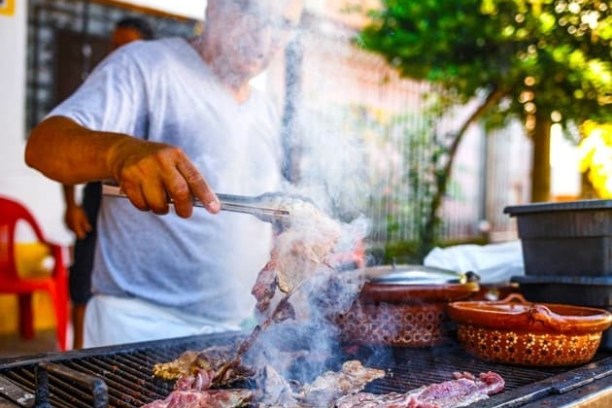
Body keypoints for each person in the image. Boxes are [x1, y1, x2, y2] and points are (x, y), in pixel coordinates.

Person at [26, 0, 304, 348]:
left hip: (235, 329)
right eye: (251, 11)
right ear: (214, 7)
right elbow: (43, 146)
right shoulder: (146, 65)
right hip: (141, 325)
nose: (264, 35)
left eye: (283, 24)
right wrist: (119, 152)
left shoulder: (264, 108)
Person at [62, 17, 155, 350]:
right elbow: (66, 151)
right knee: (82, 280)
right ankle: (75, 355)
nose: (118, 53)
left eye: (126, 46)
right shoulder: (99, 88)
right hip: (96, 197)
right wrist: (70, 204)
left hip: (134, 209)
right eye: (115, 46)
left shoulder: (152, 92)